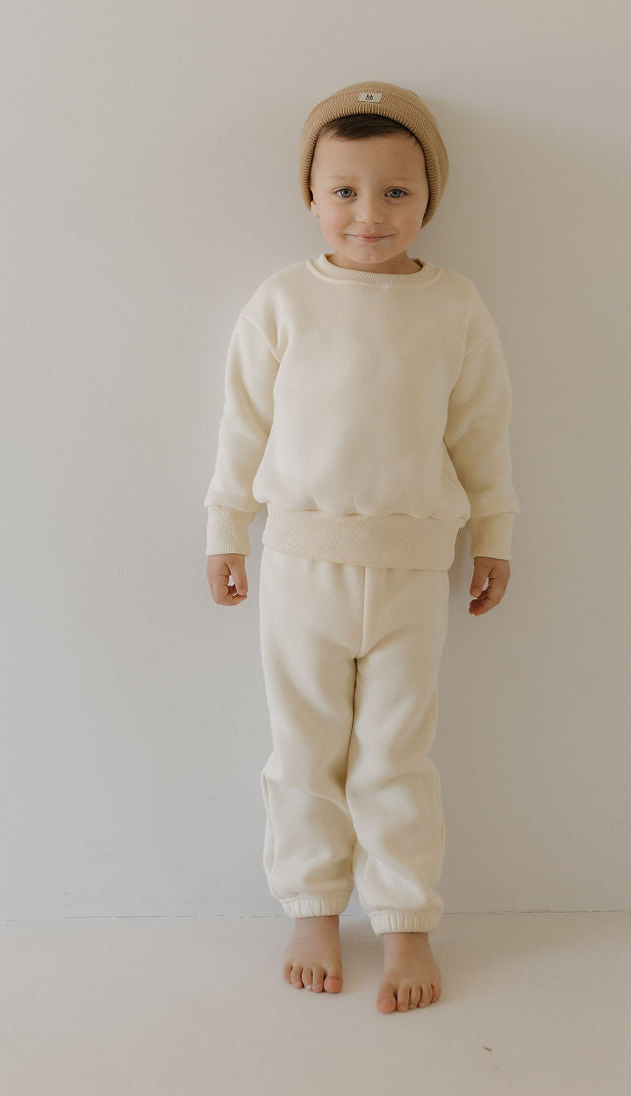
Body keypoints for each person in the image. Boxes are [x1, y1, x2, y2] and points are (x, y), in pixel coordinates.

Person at [203, 80, 520, 1013]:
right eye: (343, 190)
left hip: (417, 570)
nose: (368, 213)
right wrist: (226, 528)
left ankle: (406, 921)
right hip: (299, 563)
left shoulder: (455, 306)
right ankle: (311, 906)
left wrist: (495, 532)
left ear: (428, 201)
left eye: (395, 192)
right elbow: (242, 426)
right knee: (303, 747)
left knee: (394, 754)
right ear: (310, 196)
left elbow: (482, 431)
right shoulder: (282, 302)